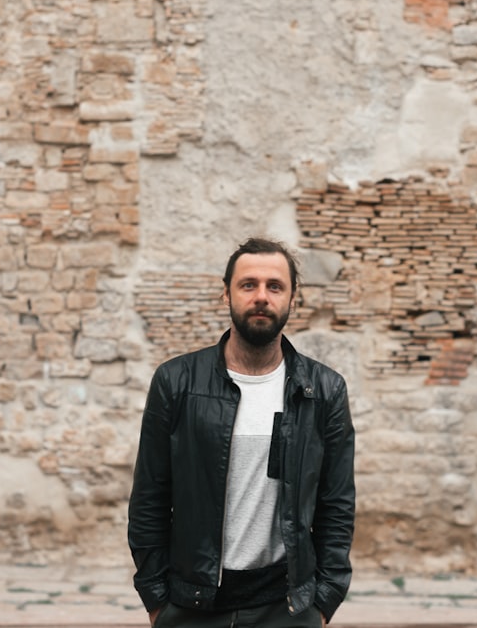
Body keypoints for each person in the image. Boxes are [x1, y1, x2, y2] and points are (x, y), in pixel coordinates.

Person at [128, 237, 356, 628]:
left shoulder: (323, 390)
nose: (261, 296)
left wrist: (323, 601)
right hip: (191, 606)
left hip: (287, 608)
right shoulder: (176, 382)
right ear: (226, 294)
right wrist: (157, 600)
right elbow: (149, 499)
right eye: (248, 285)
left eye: (275, 286)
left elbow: (336, 506)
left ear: (293, 298)